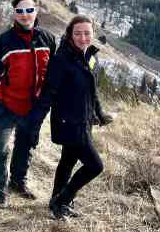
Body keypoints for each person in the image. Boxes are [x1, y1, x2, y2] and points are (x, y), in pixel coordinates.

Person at [29, 15, 113, 219]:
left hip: (84, 120)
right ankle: (63, 200)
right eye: (78, 33)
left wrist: (99, 113)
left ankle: (55, 202)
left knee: (68, 160)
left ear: (93, 34)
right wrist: (34, 125)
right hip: (69, 122)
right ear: (70, 35)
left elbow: (92, 91)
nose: (83, 38)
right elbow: (48, 94)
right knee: (95, 166)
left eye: (87, 33)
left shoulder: (90, 56)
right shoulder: (62, 60)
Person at [0, 0, 57, 205]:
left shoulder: (47, 39)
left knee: (25, 146)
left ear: (36, 11)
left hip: (32, 108)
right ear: (14, 13)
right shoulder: (1, 43)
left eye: (29, 10)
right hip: (6, 106)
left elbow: (52, 73)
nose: (25, 15)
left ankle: (18, 182)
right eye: (20, 11)